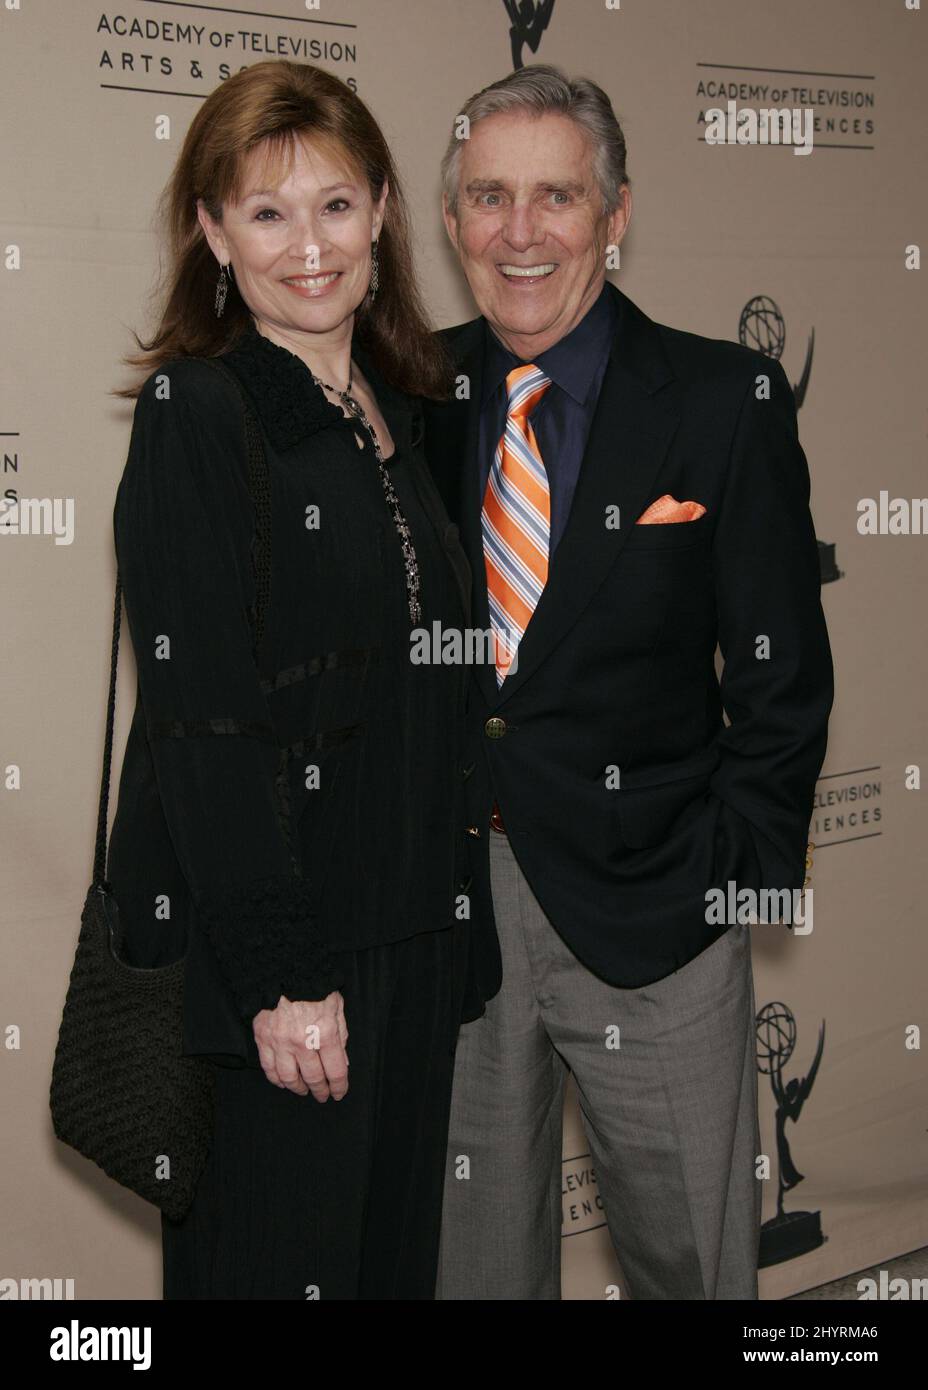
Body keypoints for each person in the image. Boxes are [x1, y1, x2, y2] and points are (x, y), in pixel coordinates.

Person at [423, 64, 834, 1300]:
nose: (520, 231)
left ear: (616, 213)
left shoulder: (720, 398)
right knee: (474, 1264)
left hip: (657, 910)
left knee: (692, 1269)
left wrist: (729, 876)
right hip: (450, 913)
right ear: (451, 223)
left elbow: (780, 667)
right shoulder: (408, 394)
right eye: (488, 196)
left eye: (557, 195)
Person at [105, 59, 476, 1300]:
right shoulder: (200, 415)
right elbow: (205, 725)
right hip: (288, 971)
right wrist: (282, 978)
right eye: (265, 211)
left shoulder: (403, 412)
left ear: (380, 211)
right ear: (213, 232)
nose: (306, 246)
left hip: (414, 949)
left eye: (333, 205)